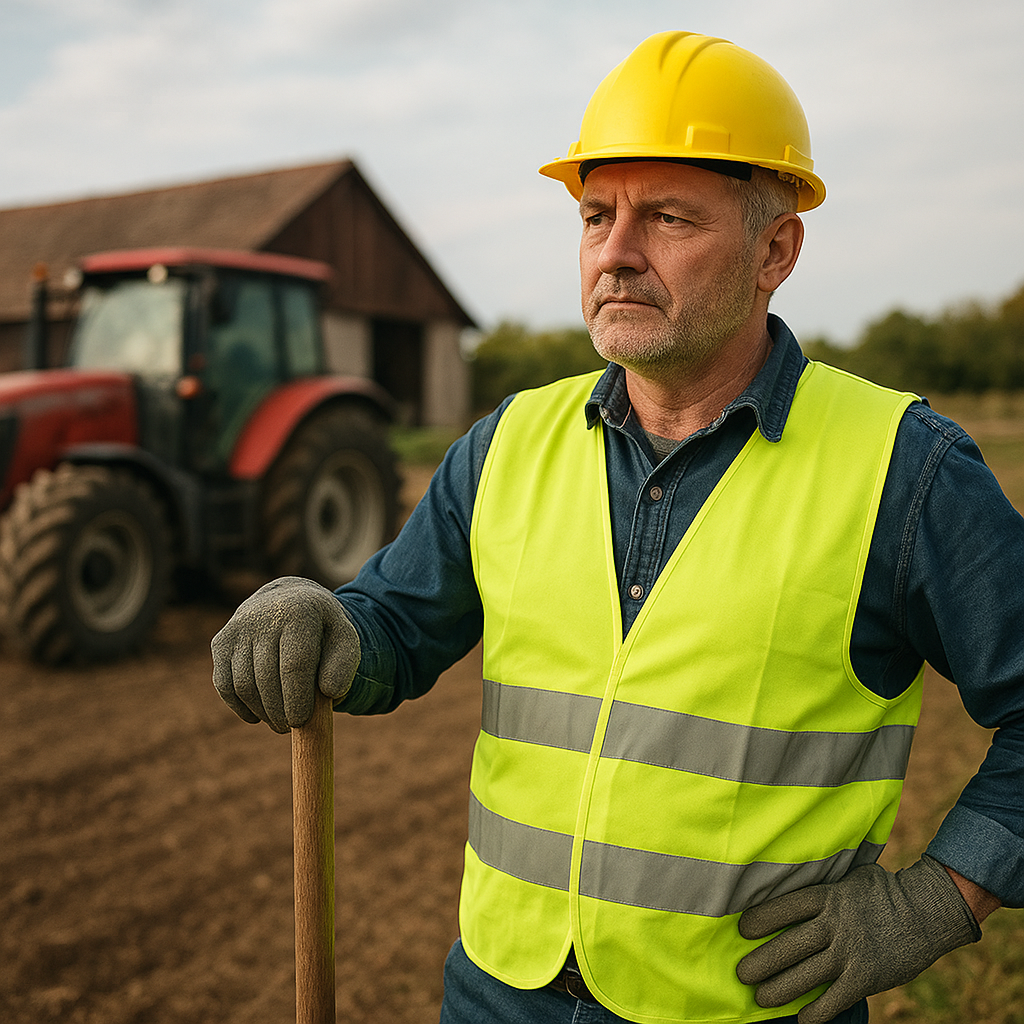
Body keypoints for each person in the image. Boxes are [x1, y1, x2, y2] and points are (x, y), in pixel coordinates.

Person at [212, 30, 1023, 1024]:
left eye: (668, 217)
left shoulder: (905, 468)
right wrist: (322, 616)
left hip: (739, 1009)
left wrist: (937, 900)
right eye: (597, 214)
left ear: (776, 251)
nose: (617, 251)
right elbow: (387, 631)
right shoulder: (508, 442)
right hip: (496, 993)